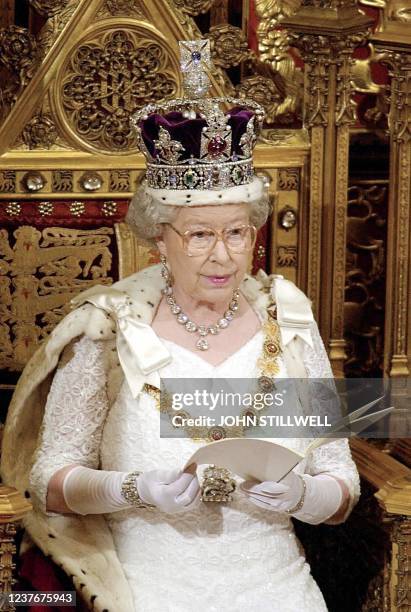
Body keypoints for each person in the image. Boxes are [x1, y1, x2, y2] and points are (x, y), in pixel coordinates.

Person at [1, 40, 360, 612]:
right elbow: (48, 480)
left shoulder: (289, 321)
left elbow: (340, 482)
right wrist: (135, 491)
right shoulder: (109, 328)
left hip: (276, 585)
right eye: (199, 235)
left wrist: (303, 494)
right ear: (159, 240)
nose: (223, 256)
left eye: (238, 232)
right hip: (143, 586)